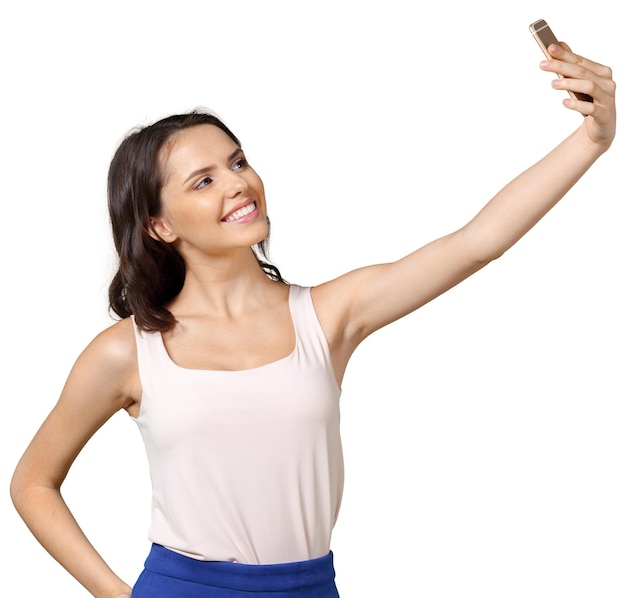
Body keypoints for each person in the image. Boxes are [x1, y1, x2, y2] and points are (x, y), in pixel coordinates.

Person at [10, 41, 616, 598]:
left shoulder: (327, 316)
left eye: (238, 161)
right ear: (161, 226)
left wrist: (592, 138)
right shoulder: (127, 352)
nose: (239, 184)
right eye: (204, 180)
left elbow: (477, 242)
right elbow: (33, 484)